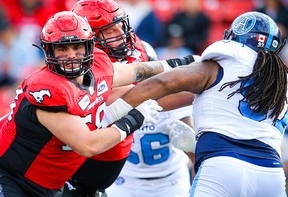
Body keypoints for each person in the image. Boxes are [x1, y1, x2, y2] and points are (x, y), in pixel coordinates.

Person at [0, 10, 196, 197]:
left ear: (89, 47)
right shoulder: (48, 89)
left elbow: (137, 71)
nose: (71, 55)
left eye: (77, 47)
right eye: (62, 49)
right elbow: (88, 144)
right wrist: (134, 119)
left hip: (49, 185)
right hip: (12, 176)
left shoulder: (98, 66)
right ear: (49, 51)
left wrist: (185, 63)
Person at [115, 11, 288, 197]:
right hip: (271, 174)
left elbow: (163, 83)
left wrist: (115, 107)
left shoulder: (221, 64)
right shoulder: (281, 82)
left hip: (222, 165)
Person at [61, 0, 196, 197]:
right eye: (109, 30)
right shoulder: (84, 76)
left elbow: (160, 88)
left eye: (120, 26)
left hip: (169, 179)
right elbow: (135, 94)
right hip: (117, 177)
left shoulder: (140, 49)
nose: (120, 34)